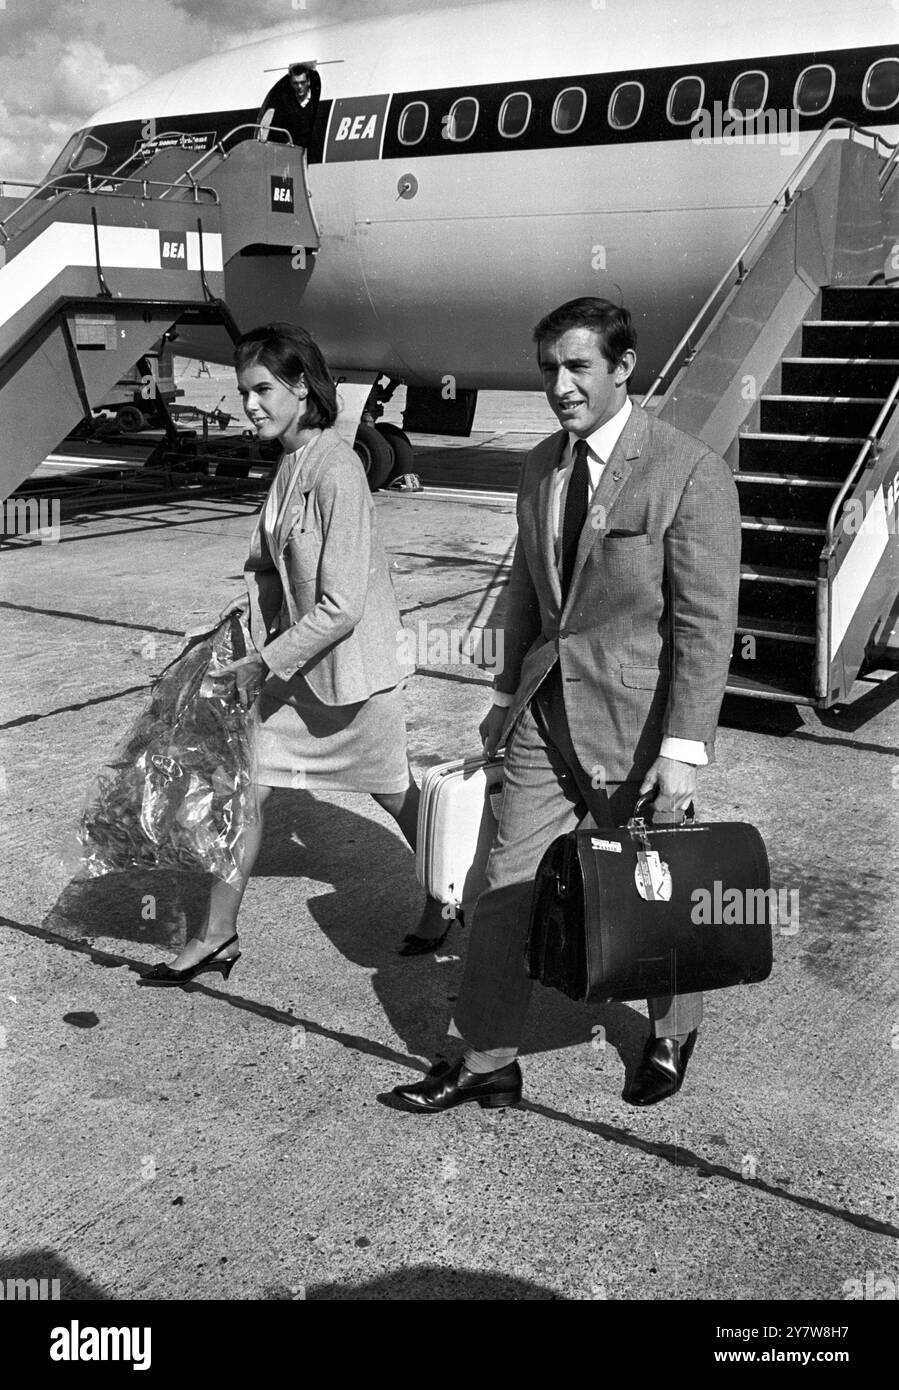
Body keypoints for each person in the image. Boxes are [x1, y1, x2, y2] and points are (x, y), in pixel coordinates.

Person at [391, 296, 742, 1112]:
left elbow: (703, 623)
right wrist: (506, 690)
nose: (560, 385)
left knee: (654, 894)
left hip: (635, 727)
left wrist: (682, 752)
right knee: (505, 887)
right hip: (543, 720)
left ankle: (669, 1028)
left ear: (623, 368)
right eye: (548, 369)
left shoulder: (687, 470)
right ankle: (486, 1057)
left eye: (578, 367)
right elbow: (525, 589)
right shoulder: (542, 463)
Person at [140, 323, 448, 986]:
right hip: (295, 675)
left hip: (352, 682)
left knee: (397, 797)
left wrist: (263, 662)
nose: (249, 403)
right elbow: (264, 564)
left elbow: (341, 604)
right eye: (243, 390)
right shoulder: (290, 463)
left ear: (300, 387)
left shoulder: (337, 469)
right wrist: (243, 625)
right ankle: (217, 935)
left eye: (261, 390)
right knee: (245, 795)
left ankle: (454, 895)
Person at [257, 62, 321, 150]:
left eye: (302, 83)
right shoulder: (285, 103)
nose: (299, 86)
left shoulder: (315, 101)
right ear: (291, 83)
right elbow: (275, 129)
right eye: (296, 83)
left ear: (308, 82)